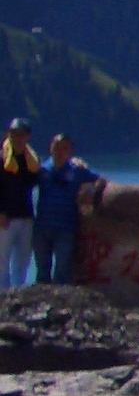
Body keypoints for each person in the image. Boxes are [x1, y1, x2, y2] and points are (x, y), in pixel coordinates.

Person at [31, 133, 103, 286]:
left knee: (63, 271)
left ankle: (59, 304)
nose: (59, 151)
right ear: (50, 148)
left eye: (64, 148)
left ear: (70, 151)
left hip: (66, 228)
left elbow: (100, 180)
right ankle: (39, 302)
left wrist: (90, 192)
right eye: (56, 147)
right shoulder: (41, 169)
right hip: (42, 227)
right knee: (42, 271)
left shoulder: (77, 170)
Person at [0, 118, 35, 288]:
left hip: (26, 215)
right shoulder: (2, 157)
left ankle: (18, 294)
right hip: (5, 217)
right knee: (2, 260)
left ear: (27, 137)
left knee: (22, 260)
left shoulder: (31, 159)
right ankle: (3, 296)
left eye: (22, 135)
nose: (18, 138)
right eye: (14, 134)